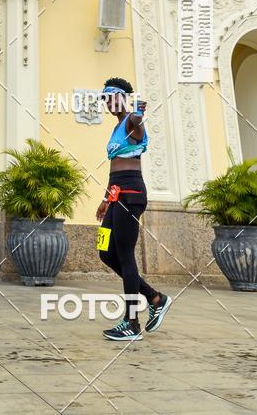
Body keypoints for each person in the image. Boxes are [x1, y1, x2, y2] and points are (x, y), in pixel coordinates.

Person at [96, 76, 171, 341]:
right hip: (117, 194)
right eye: (105, 99)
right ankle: (154, 297)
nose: (108, 103)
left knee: (126, 255)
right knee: (105, 252)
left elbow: (138, 124)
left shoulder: (130, 121)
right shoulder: (117, 127)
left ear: (123, 98)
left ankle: (131, 323)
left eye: (112, 97)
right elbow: (113, 166)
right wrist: (106, 199)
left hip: (132, 193)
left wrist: (139, 111)